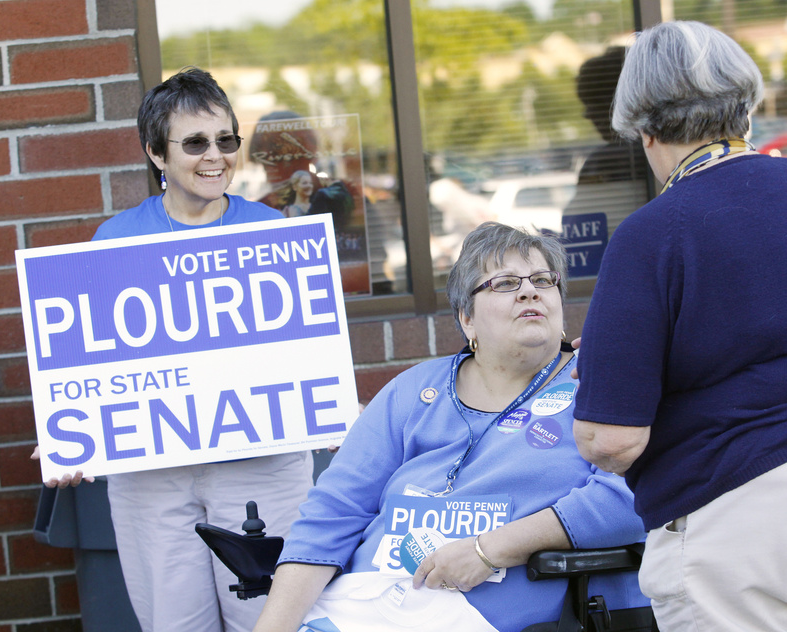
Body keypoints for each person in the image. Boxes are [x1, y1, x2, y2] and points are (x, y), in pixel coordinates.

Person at [253, 221, 646, 632]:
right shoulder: (413, 389)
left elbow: (630, 497)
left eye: (543, 280)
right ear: (467, 319)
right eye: (505, 283)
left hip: (489, 615)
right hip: (364, 603)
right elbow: (334, 513)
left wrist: (488, 550)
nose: (529, 291)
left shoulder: (600, 380)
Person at [39, 67, 314, 632]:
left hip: (260, 466)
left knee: (273, 621)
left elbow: (304, 350)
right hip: (154, 475)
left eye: (225, 140)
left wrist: (329, 399)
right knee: (176, 623)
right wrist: (71, 431)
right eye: (194, 142)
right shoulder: (115, 242)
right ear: (156, 155)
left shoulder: (271, 232)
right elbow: (89, 362)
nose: (214, 157)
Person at [572, 21, 787, 632]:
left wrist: (609, 372)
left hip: (735, 520)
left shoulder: (653, 233)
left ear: (643, 131)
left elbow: (612, 440)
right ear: (744, 109)